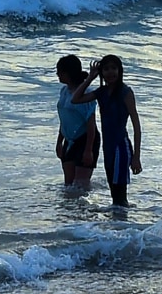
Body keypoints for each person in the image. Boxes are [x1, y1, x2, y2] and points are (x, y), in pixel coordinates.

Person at [71, 54, 142, 207]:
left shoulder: (126, 92)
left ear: (120, 70)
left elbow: (136, 125)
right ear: (101, 72)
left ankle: (123, 227)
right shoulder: (101, 92)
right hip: (108, 148)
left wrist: (136, 157)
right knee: (114, 195)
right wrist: (90, 77)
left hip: (120, 148)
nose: (110, 73)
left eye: (113, 69)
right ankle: (117, 227)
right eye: (106, 69)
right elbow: (75, 99)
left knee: (120, 197)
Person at [55, 55, 100, 191]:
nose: (58, 74)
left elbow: (91, 124)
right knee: (68, 186)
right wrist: (59, 142)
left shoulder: (85, 93)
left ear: (69, 73)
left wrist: (88, 150)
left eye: (60, 71)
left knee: (80, 185)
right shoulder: (64, 91)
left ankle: (84, 211)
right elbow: (64, 119)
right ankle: (69, 212)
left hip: (85, 139)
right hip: (69, 139)